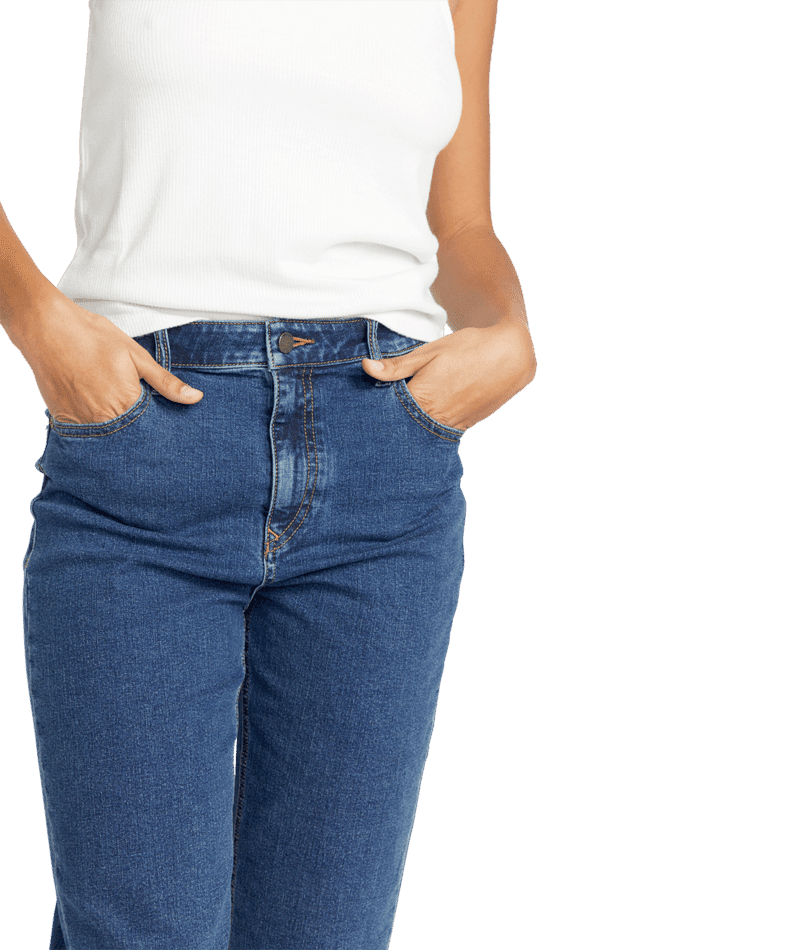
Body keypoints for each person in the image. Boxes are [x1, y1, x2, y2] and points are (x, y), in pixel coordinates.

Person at [2, 2, 536, 947]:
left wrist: (508, 329)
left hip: (384, 469)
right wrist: (35, 318)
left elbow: (460, 225)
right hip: (145, 452)